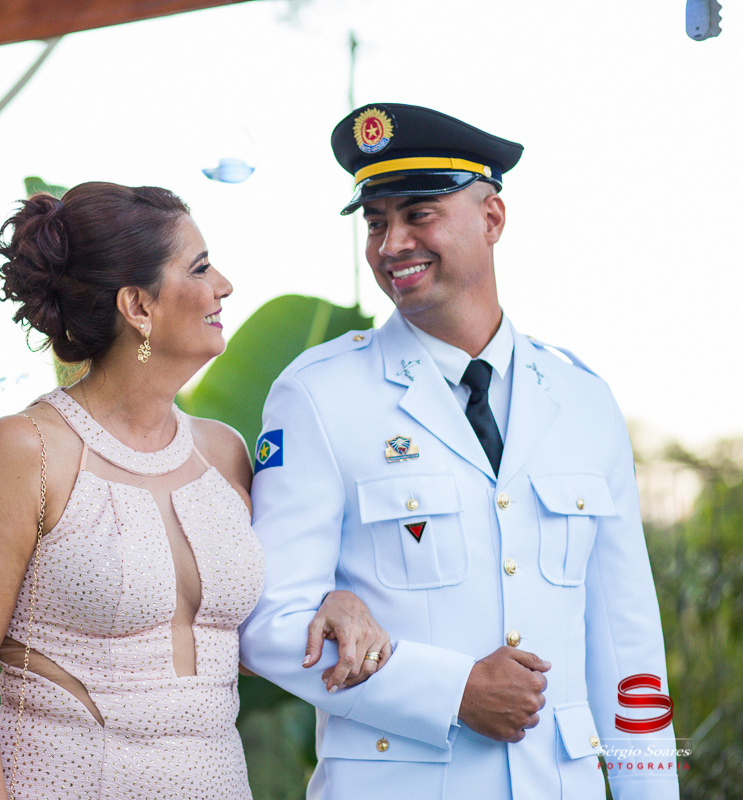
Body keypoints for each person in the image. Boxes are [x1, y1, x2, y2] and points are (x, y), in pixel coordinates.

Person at [239, 103, 678, 800]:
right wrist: (453, 690)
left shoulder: (583, 400)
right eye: (376, 221)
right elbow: (270, 625)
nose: (391, 244)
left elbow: (629, 648)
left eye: (419, 214)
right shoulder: (319, 395)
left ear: (493, 219)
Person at [0, 181, 389, 800]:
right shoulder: (27, 449)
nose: (223, 284)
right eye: (199, 267)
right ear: (138, 307)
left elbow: (246, 639)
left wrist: (337, 603)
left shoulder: (223, 451)